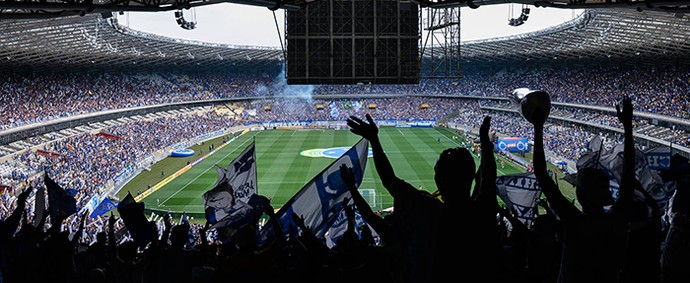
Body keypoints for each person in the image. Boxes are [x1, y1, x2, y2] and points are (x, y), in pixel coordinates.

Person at [347, 114, 501, 283]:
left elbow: (389, 180)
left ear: (440, 180)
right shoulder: (481, 213)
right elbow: (487, 179)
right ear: (471, 176)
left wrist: (374, 140)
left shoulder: (430, 212)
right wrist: (486, 147)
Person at [529, 96, 635, 283]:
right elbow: (628, 177)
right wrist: (628, 127)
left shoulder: (575, 222)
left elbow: (541, 174)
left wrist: (538, 128)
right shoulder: (617, 219)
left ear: (583, 194)